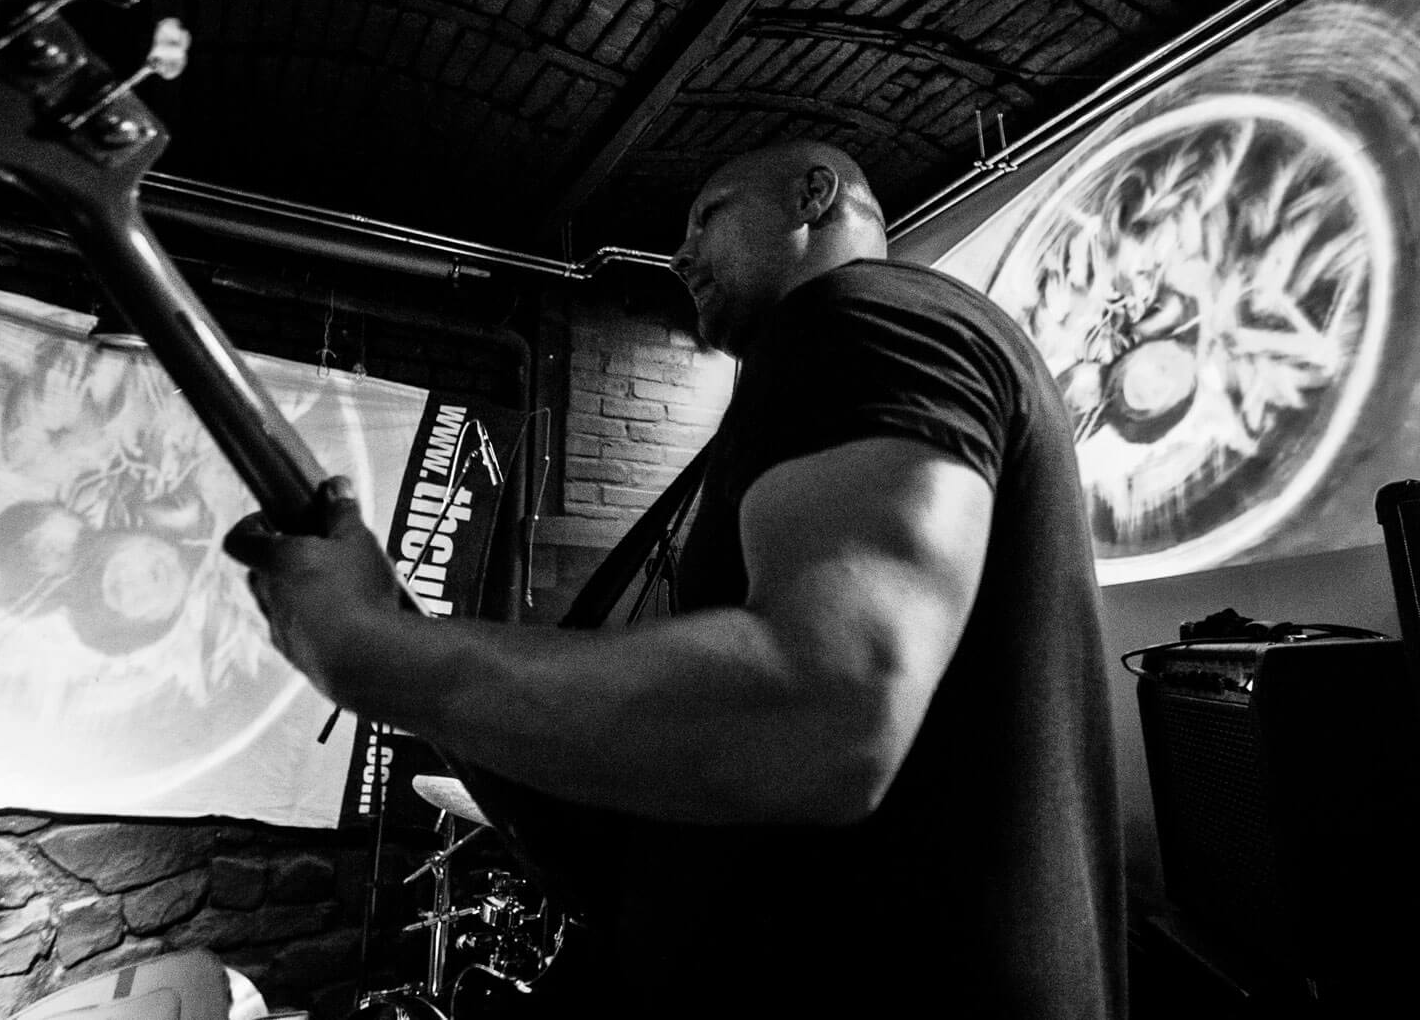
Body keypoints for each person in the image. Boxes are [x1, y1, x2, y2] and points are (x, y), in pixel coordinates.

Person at [224, 140, 1127, 1018]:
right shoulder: (820, 368)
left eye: (709, 217)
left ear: (813, 196)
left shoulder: (858, 314)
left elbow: (821, 712)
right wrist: (391, 615)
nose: (678, 253)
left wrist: (379, 654)